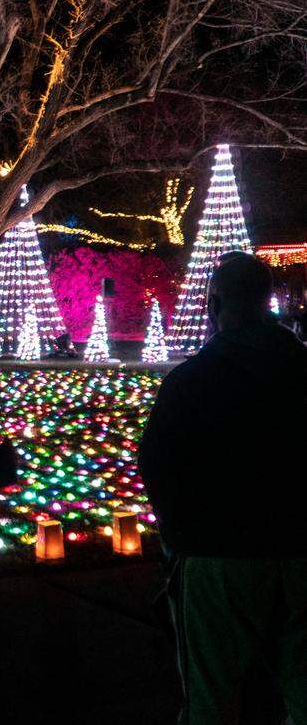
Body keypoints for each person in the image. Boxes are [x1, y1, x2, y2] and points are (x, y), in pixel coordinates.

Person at [140, 252, 307, 723]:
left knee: (213, 697)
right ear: (268, 301)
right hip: (300, 550)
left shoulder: (192, 380)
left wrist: (180, 537)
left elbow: (158, 464)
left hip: (219, 556)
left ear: (213, 305)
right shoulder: (300, 371)